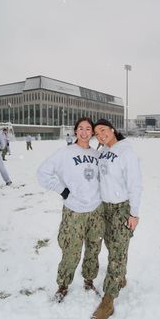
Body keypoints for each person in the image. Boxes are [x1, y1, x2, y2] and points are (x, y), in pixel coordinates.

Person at [37, 117, 104, 302]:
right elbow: (42, 173)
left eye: (88, 129)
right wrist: (63, 191)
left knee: (93, 247)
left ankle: (89, 280)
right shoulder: (64, 153)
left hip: (96, 210)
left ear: (92, 133)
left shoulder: (98, 155)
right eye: (80, 128)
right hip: (74, 210)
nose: (84, 132)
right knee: (71, 249)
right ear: (76, 131)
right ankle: (63, 285)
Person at [91, 119, 142, 319]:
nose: (100, 135)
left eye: (103, 130)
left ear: (112, 130)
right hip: (105, 208)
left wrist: (134, 213)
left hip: (122, 209)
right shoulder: (102, 152)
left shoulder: (126, 152)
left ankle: (108, 300)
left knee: (117, 254)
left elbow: (135, 185)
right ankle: (120, 276)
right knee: (113, 247)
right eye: (97, 133)